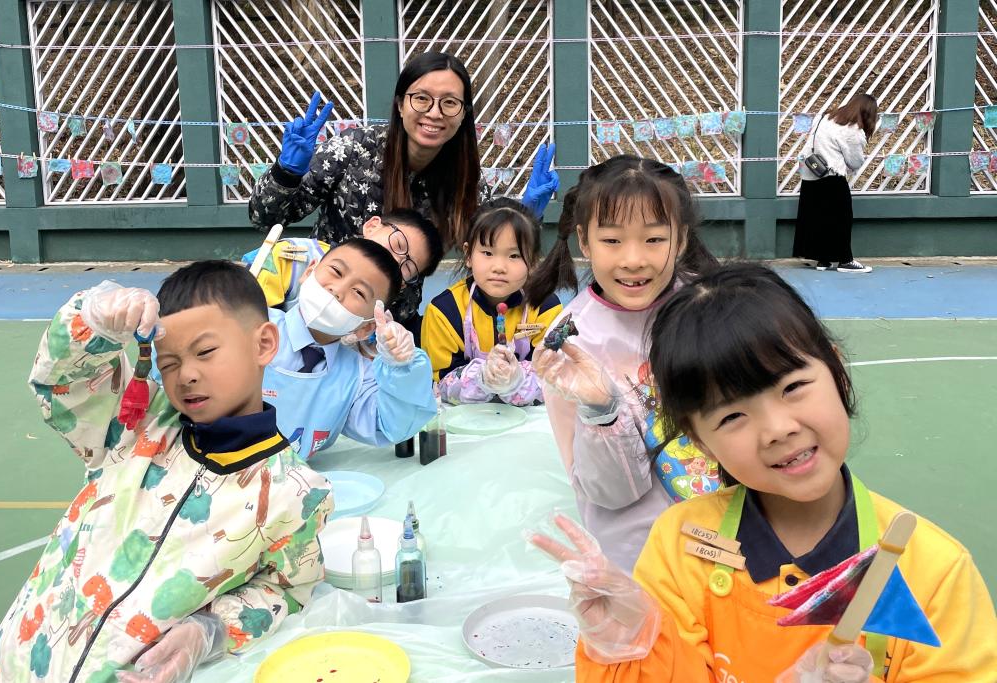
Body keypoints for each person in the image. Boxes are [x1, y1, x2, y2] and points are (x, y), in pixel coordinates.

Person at [532, 263, 997, 682]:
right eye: (733, 416)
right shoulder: (679, 545)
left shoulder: (935, 572)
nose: (777, 429)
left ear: (838, 371)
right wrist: (630, 646)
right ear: (699, 441)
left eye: (793, 387)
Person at [0, 262, 334, 682]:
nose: (188, 375)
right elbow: (63, 383)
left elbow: (285, 589)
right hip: (14, 663)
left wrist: (211, 629)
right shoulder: (135, 425)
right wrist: (92, 318)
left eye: (205, 352)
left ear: (264, 344)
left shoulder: (297, 493)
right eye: (169, 362)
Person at [249, 51, 559, 328]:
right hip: (322, 310)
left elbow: (492, 249)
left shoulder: (467, 182)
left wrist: (527, 214)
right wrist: (287, 172)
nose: (434, 112)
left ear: (464, 113)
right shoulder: (355, 149)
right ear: (400, 104)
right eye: (422, 98)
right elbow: (265, 218)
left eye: (449, 102)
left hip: (394, 330)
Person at [526, 155, 720, 572]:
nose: (633, 259)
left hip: (733, 538)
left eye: (654, 239)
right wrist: (602, 412)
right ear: (584, 240)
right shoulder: (570, 342)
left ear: (681, 240)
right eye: (612, 240)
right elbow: (609, 493)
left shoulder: (714, 308)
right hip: (643, 562)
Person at [264, 238, 436, 461]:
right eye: (336, 271)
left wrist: (402, 367)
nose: (337, 290)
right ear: (308, 272)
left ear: (366, 327)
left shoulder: (357, 377)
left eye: (359, 292)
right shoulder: (253, 327)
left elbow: (392, 425)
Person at [421, 198, 563, 406]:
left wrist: (517, 381)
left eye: (514, 255)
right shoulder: (444, 311)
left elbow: (554, 376)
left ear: (532, 261)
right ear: (468, 255)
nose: (499, 267)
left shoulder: (546, 307)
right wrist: (482, 378)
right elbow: (440, 382)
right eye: (487, 253)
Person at [243, 209, 444, 316]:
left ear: (402, 285)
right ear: (372, 226)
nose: (395, 259)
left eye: (408, 267)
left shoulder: (377, 317)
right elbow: (246, 318)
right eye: (398, 243)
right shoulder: (291, 257)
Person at [793, 93, 878, 274]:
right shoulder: (853, 130)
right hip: (832, 176)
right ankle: (845, 261)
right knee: (842, 219)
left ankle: (822, 260)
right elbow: (855, 161)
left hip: (812, 172)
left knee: (818, 218)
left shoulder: (826, 117)